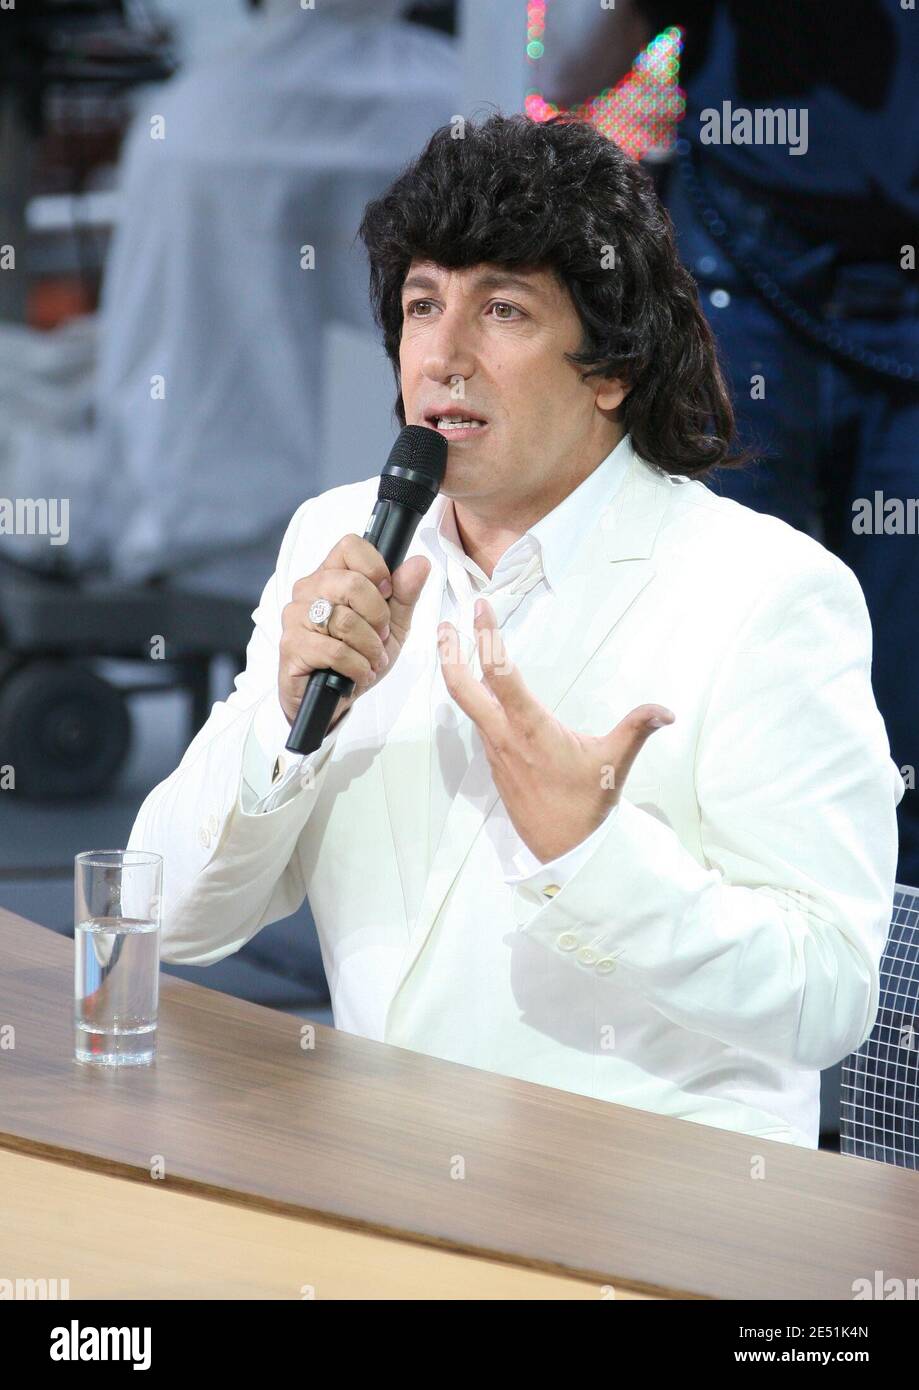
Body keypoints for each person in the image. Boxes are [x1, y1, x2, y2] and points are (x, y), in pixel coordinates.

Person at [128, 115, 904, 1150]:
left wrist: (589, 849)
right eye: (420, 305)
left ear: (611, 366)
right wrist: (282, 718)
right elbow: (166, 918)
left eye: (501, 310)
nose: (442, 356)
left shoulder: (766, 590)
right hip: (381, 1193)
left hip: (651, 1224)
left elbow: (828, 995)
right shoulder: (339, 537)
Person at [537, 0, 919, 889]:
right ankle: (683, 937)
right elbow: (565, 72)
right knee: (710, 631)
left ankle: (884, 987)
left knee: (904, 676)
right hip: (741, 277)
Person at [93, 0, 459, 601]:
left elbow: (137, 347)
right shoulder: (452, 101)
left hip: (201, 533)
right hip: (401, 529)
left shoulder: (185, 121)